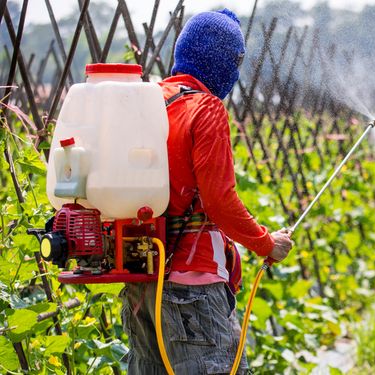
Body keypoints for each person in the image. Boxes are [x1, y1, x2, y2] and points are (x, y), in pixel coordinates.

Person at [120, 9, 294, 375]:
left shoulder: (150, 102)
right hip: (191, 289)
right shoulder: (205, 108)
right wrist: (266, 242)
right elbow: (220, 202)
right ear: (222, 62)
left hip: (140, 282)